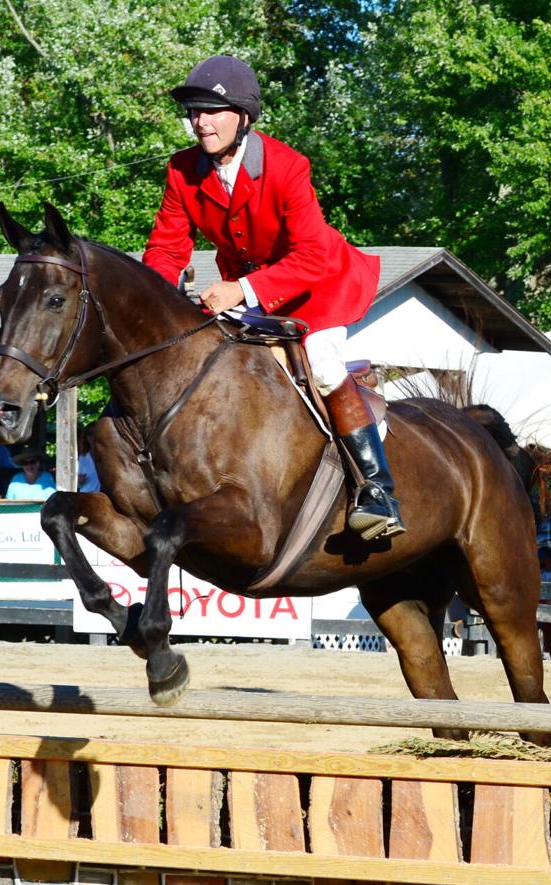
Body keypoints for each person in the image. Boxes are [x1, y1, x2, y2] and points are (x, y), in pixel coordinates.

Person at [143, 55, 404, 542]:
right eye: (195, 112)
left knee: (322, 360)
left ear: (243, 116)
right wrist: (156, 299)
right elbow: (166, 247)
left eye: (212, 111)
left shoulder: (287, 167)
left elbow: (312, 255)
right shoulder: (182, 170)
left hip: (318, 282)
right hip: (249, 291)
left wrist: (241, 288)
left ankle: (377, 489)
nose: (200, 122)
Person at [77, 422, 101, 494]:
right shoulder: (81, 458)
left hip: (104, 497)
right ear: (86, 437)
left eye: (95, 433)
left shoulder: (108, 456)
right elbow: (77, 483)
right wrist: (78, 480)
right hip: (86, 497)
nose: (92, 437)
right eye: (89, 433)